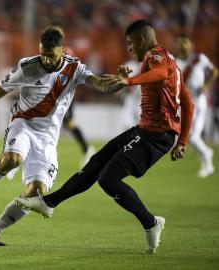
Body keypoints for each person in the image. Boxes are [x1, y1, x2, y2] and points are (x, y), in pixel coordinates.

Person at [15, 20, 194, 254]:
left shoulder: (155, 56)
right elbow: (188, 103)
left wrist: (129, 81)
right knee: (96, 163)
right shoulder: (171, 62)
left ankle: (151, 223)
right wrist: (182, 141)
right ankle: (48, 203)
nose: (130, 49)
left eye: (130, 43)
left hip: (156, 135)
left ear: (141, 40)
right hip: (146, 130)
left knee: (108, 179)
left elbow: (159, 74)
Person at [0, 26, 123, 246]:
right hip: (22, 124)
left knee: (37, 193)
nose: (46, 60)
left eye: (51, 56)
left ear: (62, 51)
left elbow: (99, 84)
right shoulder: (27, 67)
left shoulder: (75, 69)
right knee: (12, 159)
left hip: (48, 139)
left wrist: (120, 82)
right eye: (43, 53)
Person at [175, 33, 218, 178]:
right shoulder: (175, 63)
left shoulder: (199, 59)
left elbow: (214, 71)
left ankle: (208, 161)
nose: (182, 45)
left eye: (185, 42)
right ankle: (206, 156)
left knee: (192, 137)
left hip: (199, 103)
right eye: (180, 43)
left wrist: (206, 85)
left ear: (190, 44)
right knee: (188, 137)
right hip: (186, 105)